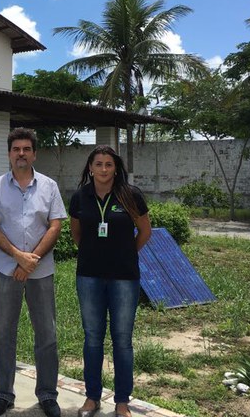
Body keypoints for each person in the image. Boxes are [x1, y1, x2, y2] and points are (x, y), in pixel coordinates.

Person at [0, 127, 67, 417]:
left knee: (47, 334)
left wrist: (32, 260)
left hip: (41, 271)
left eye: (26, 149)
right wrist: (18, 257)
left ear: (34, 154)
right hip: (7, 271)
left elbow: (55, 226)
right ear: (9, 153)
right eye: (16, 149)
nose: (21, 154)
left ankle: (48, 394)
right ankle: (4, 393)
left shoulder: (49, 186)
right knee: (3, 333)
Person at [68, 146, 152, 417]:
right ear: (90, 168)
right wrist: (95, 255)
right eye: (98, 164)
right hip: (89, 276)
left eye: (109, 164)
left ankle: (122, 401)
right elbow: (76, 233)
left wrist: (126, 253)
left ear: (116, 168)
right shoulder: (80, 197)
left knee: (122, 340)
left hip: (124, 278)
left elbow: (145, 231)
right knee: (92, 338)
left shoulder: (130, 195)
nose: (103, 169)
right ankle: (92, 398)